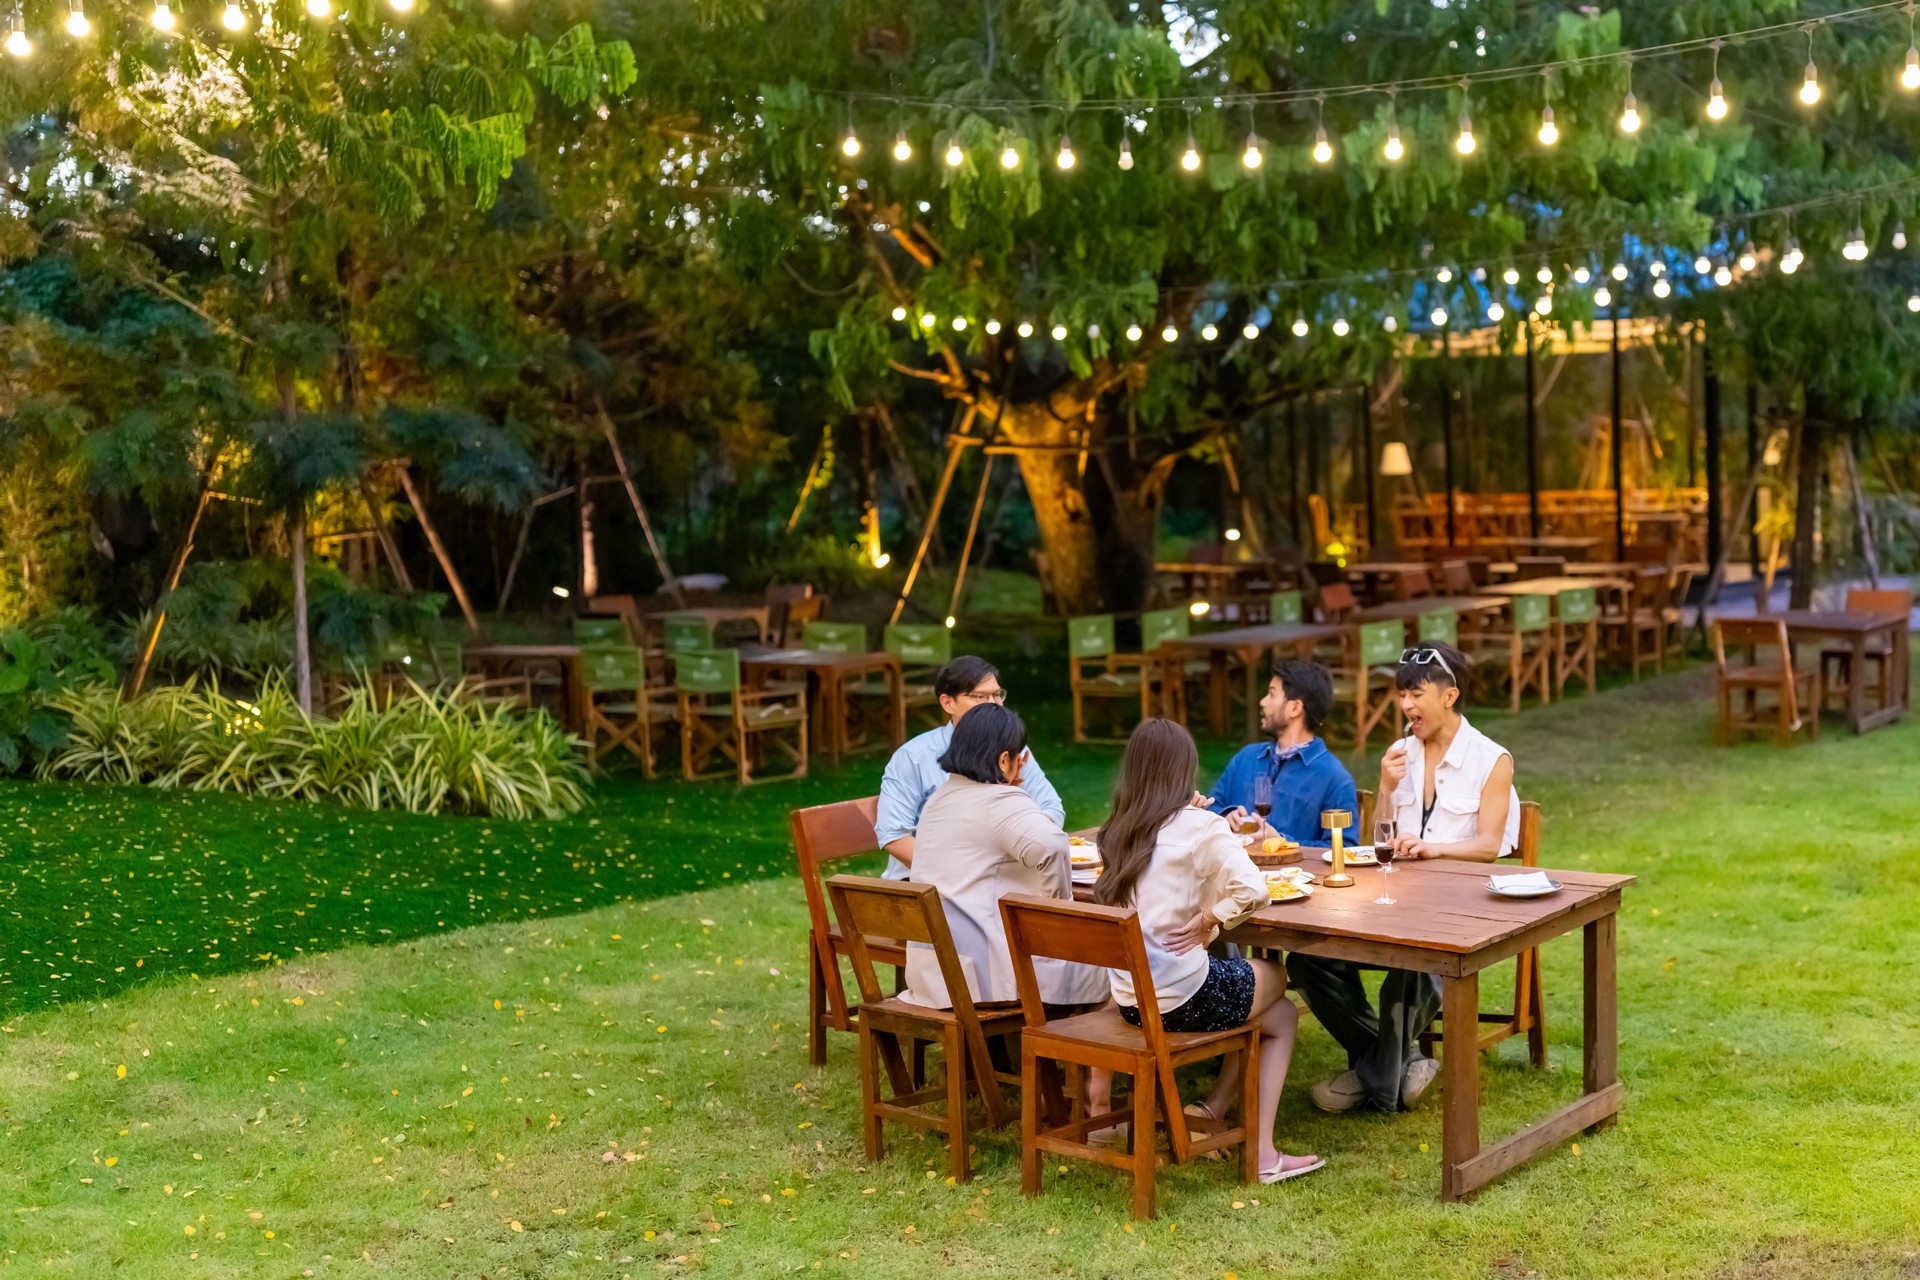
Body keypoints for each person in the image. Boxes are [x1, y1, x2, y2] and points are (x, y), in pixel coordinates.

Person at [1289, 640, 1519, 1116]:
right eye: (1401, 695)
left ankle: (1372, 1080)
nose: (1405, 705)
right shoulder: (1399, 752)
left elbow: (1489, 845)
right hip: (1396, 897)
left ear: (1449, 696)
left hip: (1458, 906)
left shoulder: (1492, 760)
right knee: (1308, 960)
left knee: (1411, 968)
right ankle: (1402, 1064)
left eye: (1415, 694)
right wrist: (1388, 788)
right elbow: (1380, 836)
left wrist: (1435, 848)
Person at [1093, 718, 1322, 1184]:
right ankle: (1259, 1153)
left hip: (1133, 1003)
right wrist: (1211, 920)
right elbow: (1253, 890)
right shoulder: (1200, 827)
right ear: (1185, 769)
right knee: (1277, 984)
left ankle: (1217, 1109)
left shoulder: (1117, 828)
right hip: (1183, 998)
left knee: (1278, 1018)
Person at [902, 704, 1108, 1010]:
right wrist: (1057, 911)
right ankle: (1075, 1053)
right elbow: (1053, 846)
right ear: (1003, 759)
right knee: (1113, 961)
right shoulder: (1000, 802)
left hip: (935, 974)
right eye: (1017, 758)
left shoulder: (938, 799)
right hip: (986, 975)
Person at [875, 656, 1063, 881]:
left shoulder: (1015, 751)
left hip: (998, 878)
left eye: (997, 695)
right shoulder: (913, 757)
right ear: (948, 703)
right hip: (920, 884)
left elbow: (1051, 808)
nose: (993, 705)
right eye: (980, 697)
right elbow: (893, 835)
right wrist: (962, 874)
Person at [1204, 659, 1358, 848]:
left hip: (1295, 876)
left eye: (1271, 694)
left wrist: (1283, 843)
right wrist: (1226, 816)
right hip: (1231, 874)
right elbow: (1209, 807)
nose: (1262, 702)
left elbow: (1344, 849)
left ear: (1295, 708)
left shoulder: (1335, 778)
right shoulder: (1246, 758)